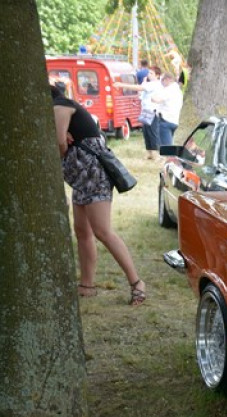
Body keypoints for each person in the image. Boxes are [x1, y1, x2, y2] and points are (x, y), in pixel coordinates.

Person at [51, 83, 145, 305]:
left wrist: (61, 138)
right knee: (82, 231)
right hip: (82, 177)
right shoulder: (60, 108)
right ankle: (87, 285)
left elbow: (60, 143)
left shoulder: (61, 106)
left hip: (93, 174)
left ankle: (137, 283)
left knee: (102, 231)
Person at [112, 68, 162, 160]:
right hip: (145, 111)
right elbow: (141, 94)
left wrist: (121, 85)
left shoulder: (155, 84)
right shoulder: (148, 84)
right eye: (149, 73)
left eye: (151, 73)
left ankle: (155, 153)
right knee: (146, 132)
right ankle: (149, 152)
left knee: (152, 133)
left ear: (157, 75)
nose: (148, 75)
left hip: (152, 111)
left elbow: (139, 88)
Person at [150, 72, 182, 147]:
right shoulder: (177, 90)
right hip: (174, 120)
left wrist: (150, 96)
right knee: (168, 144)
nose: (161, 83)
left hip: (165, 121)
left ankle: (168, 157)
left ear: (167, 80)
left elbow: (157, 100)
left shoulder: (169, 90)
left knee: (166, 148)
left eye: (162, 80)